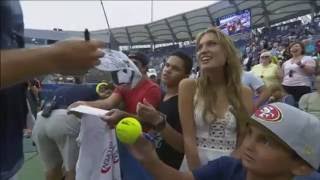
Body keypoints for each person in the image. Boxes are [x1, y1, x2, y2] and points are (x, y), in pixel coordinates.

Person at [0, 1, 104, 180]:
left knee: (53, 168)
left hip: (12, 153)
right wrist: (54, 57)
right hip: (58, 121)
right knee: (72, 169)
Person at [130, 103, 320, 180]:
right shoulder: (228, 167)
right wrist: (149, 158)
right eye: (250, 133)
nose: (249, 144)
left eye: (267, 142)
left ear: (301, 166)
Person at [69, 51, 161, 180]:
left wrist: (123, 116)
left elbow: (149, 121)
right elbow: (107, 103)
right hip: (124, 140)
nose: (129, 67)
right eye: (127, 64)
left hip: (142, 142)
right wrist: (83, 104)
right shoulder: (124, 86)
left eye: (134, 64)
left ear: (145, 67)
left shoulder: (152, 89)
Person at [178, 27, 253, 171]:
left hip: (230, 167)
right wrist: (199, 174)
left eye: (212, 44)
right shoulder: (188, 86)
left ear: (227, 52)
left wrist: (227, 170)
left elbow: (244, 138)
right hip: (194, 165)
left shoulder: (245, 92)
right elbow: (188, 138)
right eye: (200, 47)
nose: (203, 50)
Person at [32, 77, 99, 180]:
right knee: (72, 169)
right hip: (64, 118)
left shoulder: (59, 89)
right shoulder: (92, 90)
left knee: (51, 168)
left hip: (41, 119)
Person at [135, 51, 193, 169]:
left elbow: (183, 146)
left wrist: (157, 119)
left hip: (171, 169)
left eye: (175, 68)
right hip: (154, 166)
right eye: (167, 65)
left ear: (186, 77)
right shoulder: (163, 95)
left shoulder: (184, 103)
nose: (167, 70)